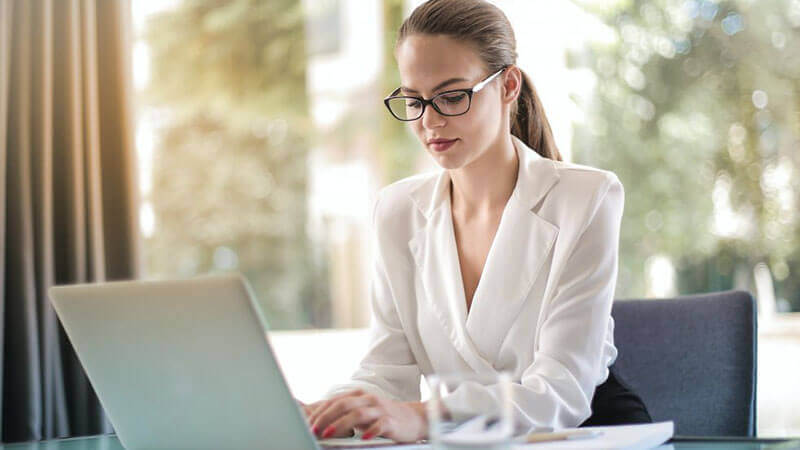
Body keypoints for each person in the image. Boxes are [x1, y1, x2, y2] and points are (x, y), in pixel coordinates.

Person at [299, 0, 651, 443]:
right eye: (414, 100)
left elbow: (560, 392)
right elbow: (385, 372)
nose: (429, 121)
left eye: (451, 96)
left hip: (584, 433)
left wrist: (426, 418)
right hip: (468, 439)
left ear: (507, 85)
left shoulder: (587, 198)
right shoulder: (397, 210)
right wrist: (326, 413)